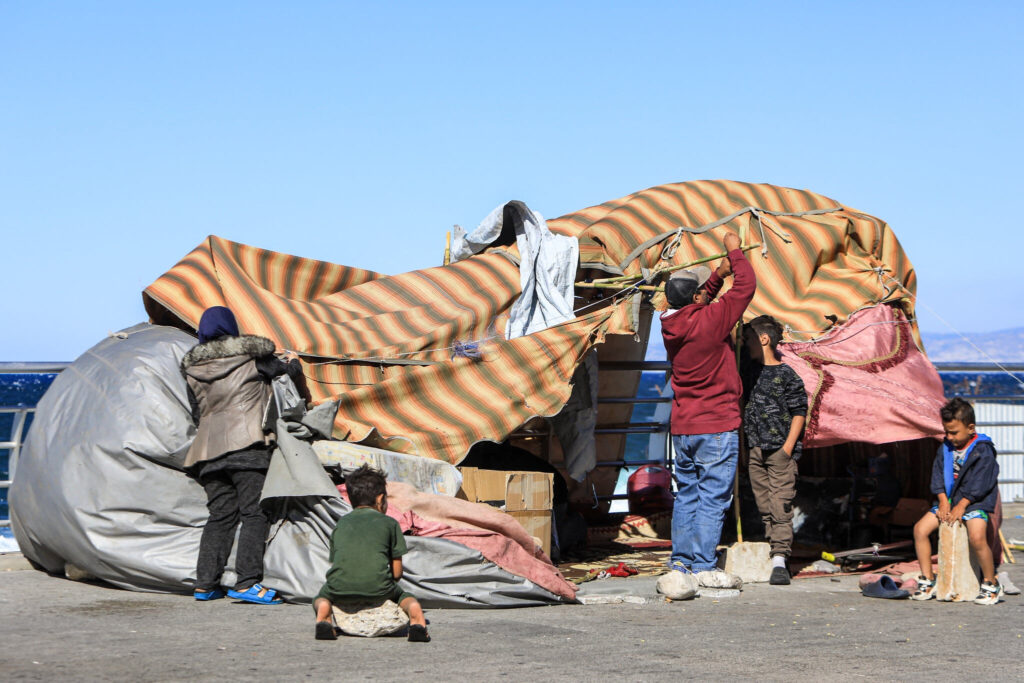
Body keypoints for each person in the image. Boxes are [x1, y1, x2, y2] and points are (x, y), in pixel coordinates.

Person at [182, 306, 302, 604]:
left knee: (219, 516)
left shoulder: (192, 369)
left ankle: (205, 584)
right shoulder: (254, 355)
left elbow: (197, 414)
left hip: (207, 453)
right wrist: (295, 363)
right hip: (248, 446)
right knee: (254, 513)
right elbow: (286, 377)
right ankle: (248, 582)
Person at [661, 230, 755, 579]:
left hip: (684, 427)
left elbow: (696, 303)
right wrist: (735, 251)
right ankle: (703, 566)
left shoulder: (670, 325)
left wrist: (717, 275)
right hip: (716, 424)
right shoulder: (712, 321)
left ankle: (681, 562)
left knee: (687, 495)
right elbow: (746, 287)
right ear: (698, 297)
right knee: (714, 497)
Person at [313, 465, 430, 642]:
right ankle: (416, 617)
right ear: (380, 499)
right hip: (380, 588)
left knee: (321, 597)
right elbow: (397, 573)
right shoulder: (390, 524)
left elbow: (336, 561)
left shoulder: (341, 523)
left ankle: (324, 613)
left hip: (339, 587)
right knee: (404, 597)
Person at [911, 397, 1002, 605]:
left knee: (977, 537)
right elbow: (937, 475)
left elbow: (981, 483)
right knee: (920, 530)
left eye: (954, 432)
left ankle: (990, 583)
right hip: (950, 500)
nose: (950, 437)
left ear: (971, 428)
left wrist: (962, 505)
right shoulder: (945, 448)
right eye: (947, 432)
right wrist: (943, 500)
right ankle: (928, 579)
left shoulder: (983, 450)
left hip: (975, 502)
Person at [741, 314, 807, 585]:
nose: (745, 345)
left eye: (748, 339)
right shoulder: (749, 372)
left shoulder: (786, 375)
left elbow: (799, 411)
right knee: (765, 506)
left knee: (780, 506)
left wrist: (787, 448)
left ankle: (780, 559)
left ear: (764, 339)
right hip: (755, 450)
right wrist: (747, 449)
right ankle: (774, 551)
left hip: (779, 451)